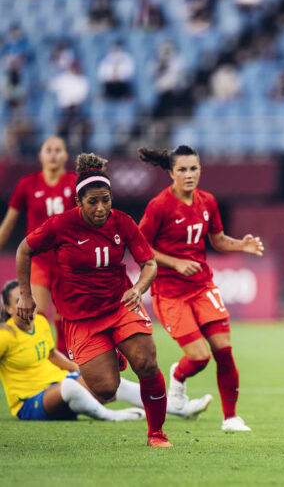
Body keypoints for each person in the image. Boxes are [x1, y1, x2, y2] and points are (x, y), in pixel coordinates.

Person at [15, 153, 172, 447]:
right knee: (105, 388)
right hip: (81, 319)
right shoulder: (60, 225)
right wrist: (26, 295)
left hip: (119, 306)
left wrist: (138, 288)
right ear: (79, 202)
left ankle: (157, 433)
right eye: (93, 202)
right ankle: (115, 354)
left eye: (106, 200)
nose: (101, 208)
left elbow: (149, 263)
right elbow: (24, 250)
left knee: (147, 362)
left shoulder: (122, 222)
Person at [138, 145, 264, 432]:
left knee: (224, 350)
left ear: (200, 170)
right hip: (169, 293)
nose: (189, 174)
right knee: (199, 357)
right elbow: (139, 245)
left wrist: (241, 245)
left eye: (193, 168)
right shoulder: (159, 206)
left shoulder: (207, 201)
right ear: (171, 173)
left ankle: (230, 418)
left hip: (202, 286)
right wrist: (176, 263)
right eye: (182, 169)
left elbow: (217, 239)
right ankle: (178, 377)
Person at [1, 280, 211, 421]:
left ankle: (182, 410)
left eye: (28, 295)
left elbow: (51, 354)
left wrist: (80, 370)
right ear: (9, 309)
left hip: (57, 384)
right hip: (30, 402)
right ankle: (112, 416)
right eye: (18, 299)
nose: (27, 302)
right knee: (69, 387)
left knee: (114, 383)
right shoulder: (5, 335)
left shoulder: (40, 322)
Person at [0, 137, 77, 354]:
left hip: (67, 259)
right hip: (38, 260)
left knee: (65, 316)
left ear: (65, 156)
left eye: (58, 150)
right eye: (48, 150)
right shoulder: (27, 184)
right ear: (40, 156)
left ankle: (67, 365)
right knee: (38, 312)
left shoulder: (74, 182)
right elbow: (9, 222)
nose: (53, 154)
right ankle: (44, 360)